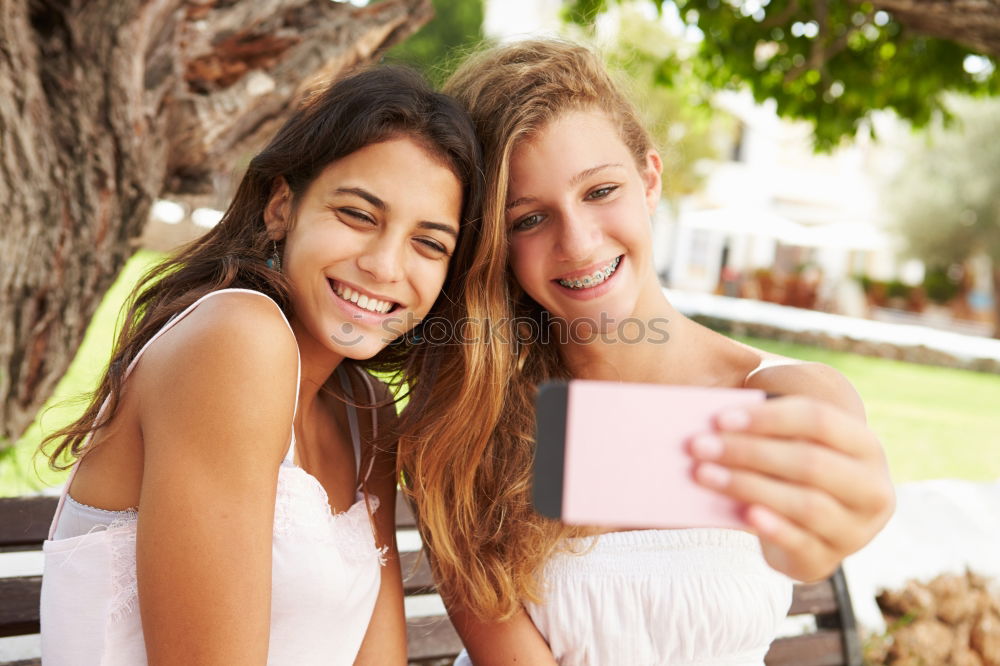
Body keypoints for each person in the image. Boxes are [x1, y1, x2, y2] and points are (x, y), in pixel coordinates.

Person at [395, 40, 895, 665]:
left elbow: (804, 553)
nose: (578, 243)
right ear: (496, 243)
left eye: (600, 191)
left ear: (649, 179)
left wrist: (836, 519)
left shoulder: (783, 396)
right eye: (527, 219)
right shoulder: (468, 424)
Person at [39, 65, 483, 665]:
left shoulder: (367, 413)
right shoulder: (235, 338)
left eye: (429, 243)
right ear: (281, 208)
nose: (384, 265)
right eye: (358, 214)